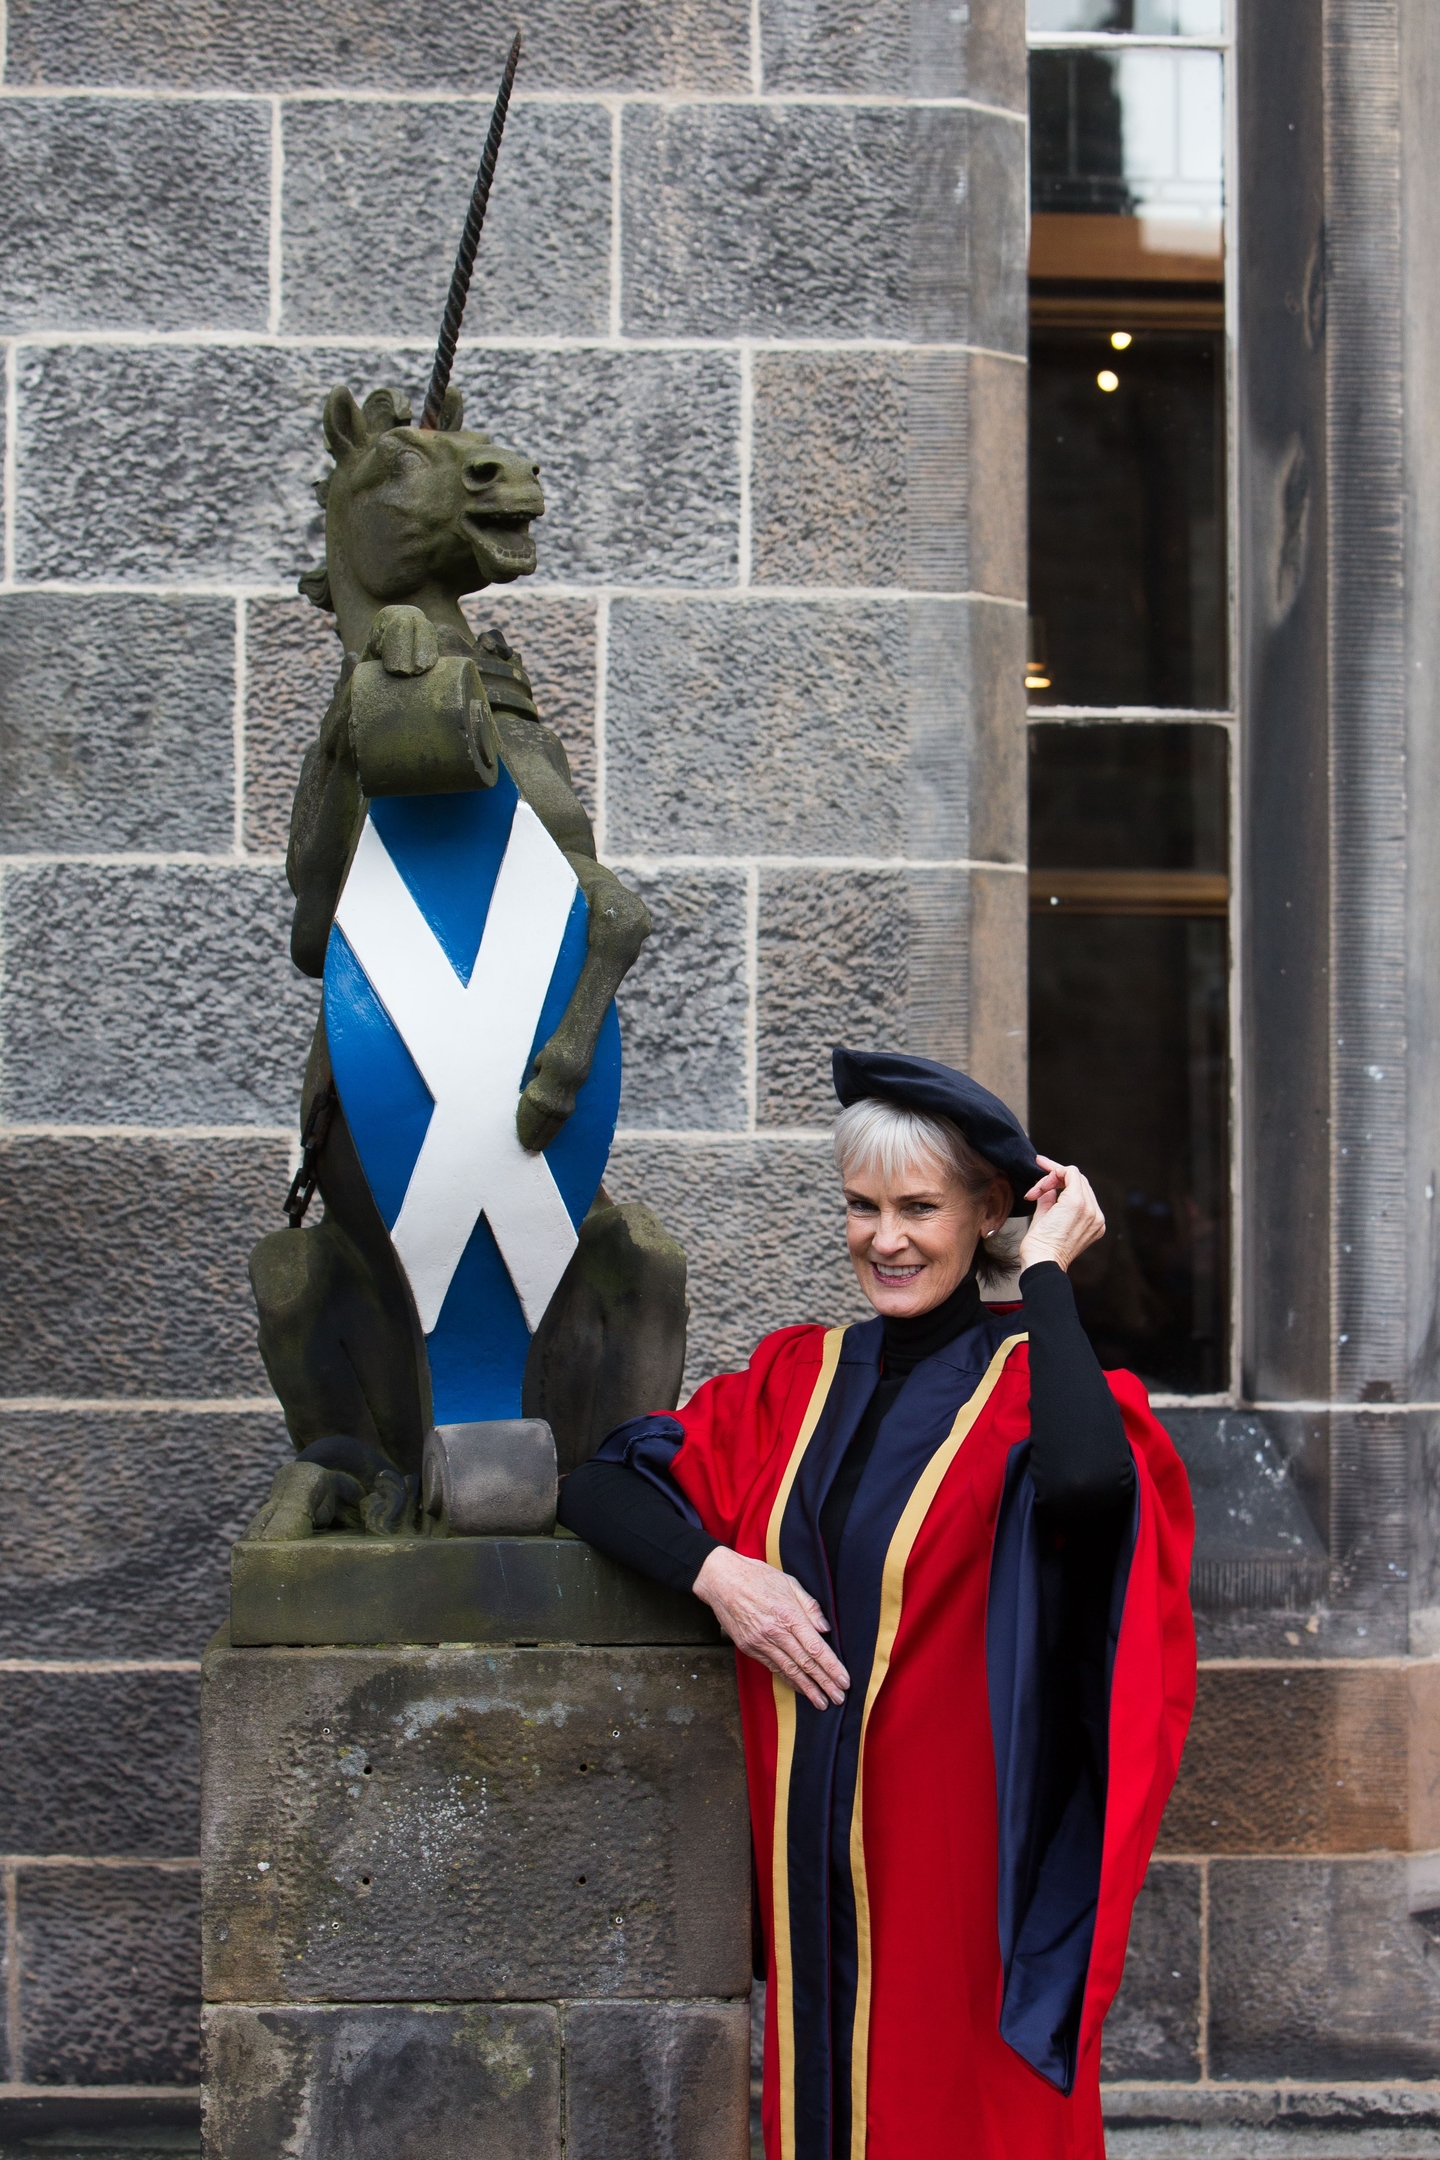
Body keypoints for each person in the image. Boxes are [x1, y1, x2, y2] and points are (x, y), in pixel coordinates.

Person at [559, 1048, 1195, 2160]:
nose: (886, 1239)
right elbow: (600, 1483)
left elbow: (1091, 1486)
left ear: (987, 1211)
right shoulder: (794, 1382)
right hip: (814, 1862)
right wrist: (720, 1574)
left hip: (962, 1865)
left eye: (920, 1208)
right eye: (862, 1207)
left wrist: (1044, 1276)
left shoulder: (1032, 1392)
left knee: (967, 2118)